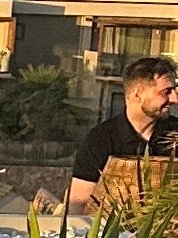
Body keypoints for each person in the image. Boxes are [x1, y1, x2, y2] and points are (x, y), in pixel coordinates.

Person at [69, 54, 178, 208]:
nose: (175, 99)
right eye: (166, 92)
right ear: (138, 93)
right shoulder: (101, 139)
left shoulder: (176, 133)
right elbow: (78, 205)